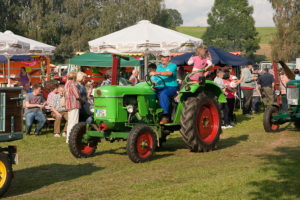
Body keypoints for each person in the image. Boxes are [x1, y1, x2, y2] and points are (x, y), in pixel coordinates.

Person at [150, 50, 178, 124]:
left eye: (164, 57)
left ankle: (165, 115)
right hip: (159, 87)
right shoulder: (159, 66)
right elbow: (155, 78)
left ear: (169, 58)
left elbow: (169, 73)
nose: (162, 58)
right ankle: (151, 115)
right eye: (162, 57)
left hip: (170, 87)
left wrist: (157, 73)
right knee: (149, 94)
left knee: (163, 94)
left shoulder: (173, 65)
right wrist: (154, 83)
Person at [65, 71, 80, 144]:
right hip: (74, 105)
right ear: (74, 77)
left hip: (69, 105)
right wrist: (83, 100)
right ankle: (72, 139)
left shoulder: (67, 84)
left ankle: (68, 139)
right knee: (74, 123)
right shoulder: (73, 85)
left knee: (70, 122)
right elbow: (77, 96)